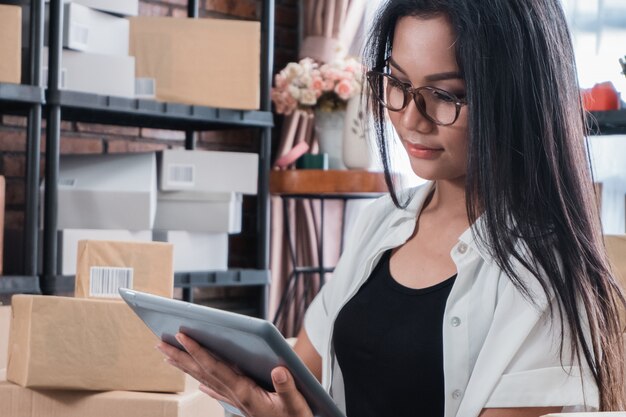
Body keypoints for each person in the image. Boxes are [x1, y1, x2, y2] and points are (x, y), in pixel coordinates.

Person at [156, 0, 626, 416]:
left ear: (519, 97)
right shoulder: (381, 221)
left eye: (447, 95)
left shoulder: (550, 276)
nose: (410, 119)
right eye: (397, 84)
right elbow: (293, 373)